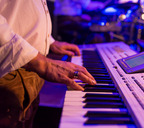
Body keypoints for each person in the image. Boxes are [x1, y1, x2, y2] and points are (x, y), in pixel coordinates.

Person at [0, 0, 96, 128]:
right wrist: (43, 63)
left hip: (30, 67)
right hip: (8, 70)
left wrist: (48, 41)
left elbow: (21, 11)